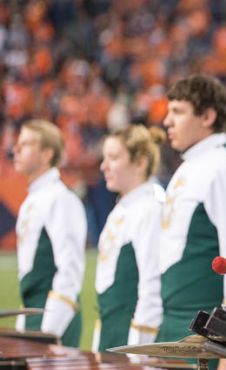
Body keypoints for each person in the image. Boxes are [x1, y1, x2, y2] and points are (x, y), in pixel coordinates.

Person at [158, 74, 226, 346]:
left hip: (206, 334)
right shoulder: (190, 166)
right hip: (175, 325)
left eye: (178, 112)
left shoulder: (223, 169)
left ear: (207, 116)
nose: (167, 121)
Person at [13, 120, 86, 347]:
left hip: (54, 320)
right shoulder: (32, 200)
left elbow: (70, 270)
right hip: (34, 316)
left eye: (25, 144)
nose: (15, 149)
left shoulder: (60, 198)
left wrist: (48, 331)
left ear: (46, 154)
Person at [92, 125, 165, 351]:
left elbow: (152, 286)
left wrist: (138, 351)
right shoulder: (123, 208)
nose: (104, 166)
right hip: (113, 334)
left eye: (113, 158)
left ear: (140, 162)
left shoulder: (150, 209)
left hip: (131, 340)